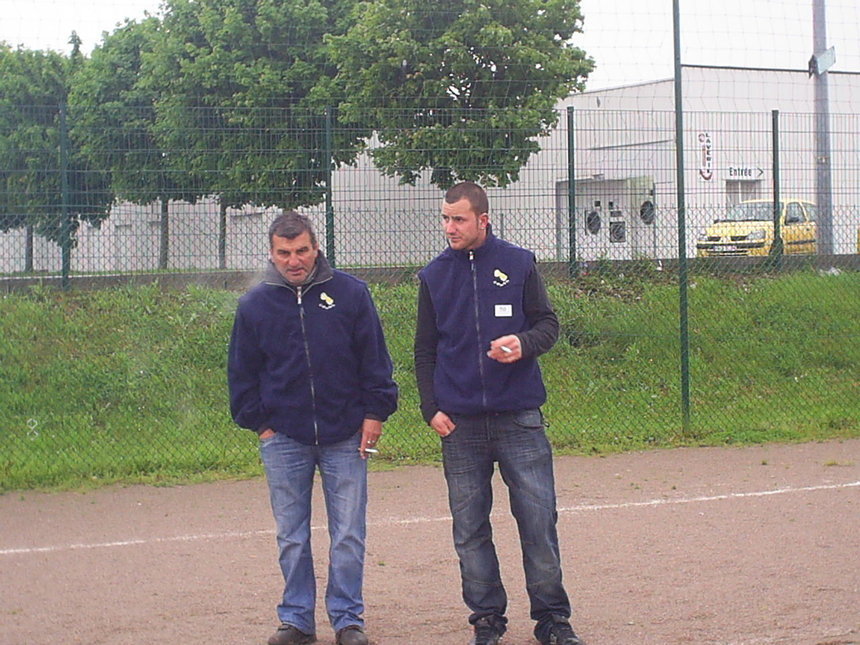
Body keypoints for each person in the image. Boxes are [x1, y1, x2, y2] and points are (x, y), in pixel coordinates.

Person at [414, 182, 584, 645]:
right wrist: (431, 408)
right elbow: (425, 351)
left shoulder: (518, 263)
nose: (450, 227)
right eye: (446, 218)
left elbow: (547, 324)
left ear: (483, 220)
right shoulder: (433, 276)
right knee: (469, 530)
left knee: (537, 521)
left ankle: (552, 619)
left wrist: (523, 345)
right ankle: (486, 618)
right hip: (460, 425)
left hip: (519, 419)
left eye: (459, 219)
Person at [229, 211, 398, 645]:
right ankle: (297, 620)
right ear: (272, 253)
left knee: (348, 534)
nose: (294, 260)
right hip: (283, 438)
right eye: (284, 253)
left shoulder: (351, 293)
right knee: (291, 536)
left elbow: (375, 360)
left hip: (347, 436)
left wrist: (375, 414)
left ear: (316, 247)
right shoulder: (254, 305)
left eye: (302, 250)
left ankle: (347, 620)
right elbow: (242, 376)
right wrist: (262, 426)